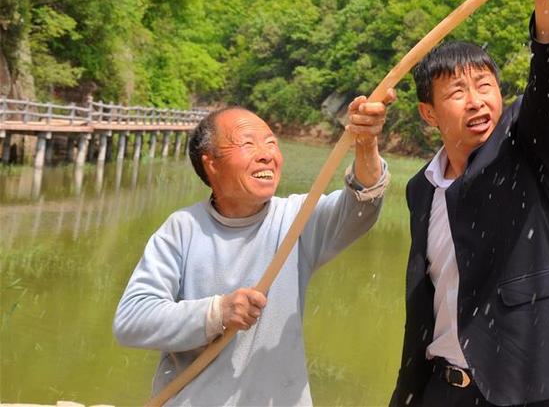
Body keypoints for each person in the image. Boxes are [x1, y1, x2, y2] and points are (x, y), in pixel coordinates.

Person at [389, 0, 549, 407]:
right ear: (429, 113)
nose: (477, 101)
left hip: (526, 390)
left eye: (485, 85)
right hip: (441, 389)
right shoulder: (423, 188)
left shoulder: (524, 147)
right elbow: (426, 296)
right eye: (457, 92)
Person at [113, 91, 395, 405]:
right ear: (212, 164)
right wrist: (216, 312)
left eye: (271, 142)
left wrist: (366, 143)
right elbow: (132, 321)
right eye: (248, 144)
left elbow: (361, 206)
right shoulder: (182, 229)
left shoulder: (296, 219)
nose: (266, 154)